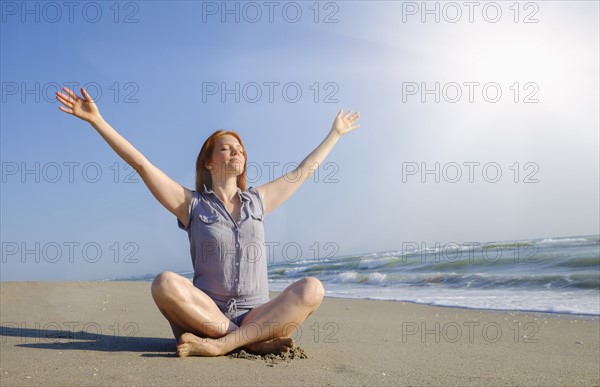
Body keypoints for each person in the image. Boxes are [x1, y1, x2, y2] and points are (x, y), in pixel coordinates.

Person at [56, 86, 361, 357]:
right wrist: (98, 121)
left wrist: (335, 133)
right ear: (209, 161)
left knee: (312, 288)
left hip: (258, 314)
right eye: (227, 148)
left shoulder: (259, 200)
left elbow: (303, 171)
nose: (236, 151)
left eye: (240, 149)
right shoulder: (191, 205)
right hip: (206, 316)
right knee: (163, 283)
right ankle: (249, 342)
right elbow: (141, 164)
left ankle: (225, 344)